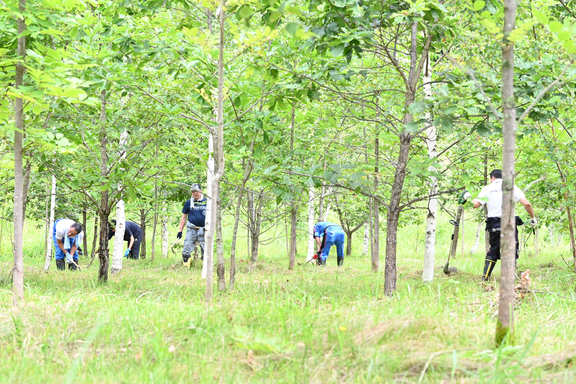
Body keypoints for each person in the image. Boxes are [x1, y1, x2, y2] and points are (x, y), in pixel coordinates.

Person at [471, 169, 536, 281]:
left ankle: (485, 278)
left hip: (494, 224)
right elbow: (527, 204)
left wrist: (467, 198)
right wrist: (532, 217)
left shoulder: (487, 189)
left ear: (492, 178)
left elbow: (475, 205)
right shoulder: (512, 187)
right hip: (510, 224)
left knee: (493, 250)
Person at [178, 183, 207, 268]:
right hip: (192, 229)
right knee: (186, 248)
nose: (195, 193)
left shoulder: (206, 202)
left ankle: (204, 268)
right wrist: (180, 231)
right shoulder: (188, 203)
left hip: (204, 229)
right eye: (193, 191)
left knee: (206, 249)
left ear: (200, 191)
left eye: (197, 191)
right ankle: (186, 267)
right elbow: (184, 217)